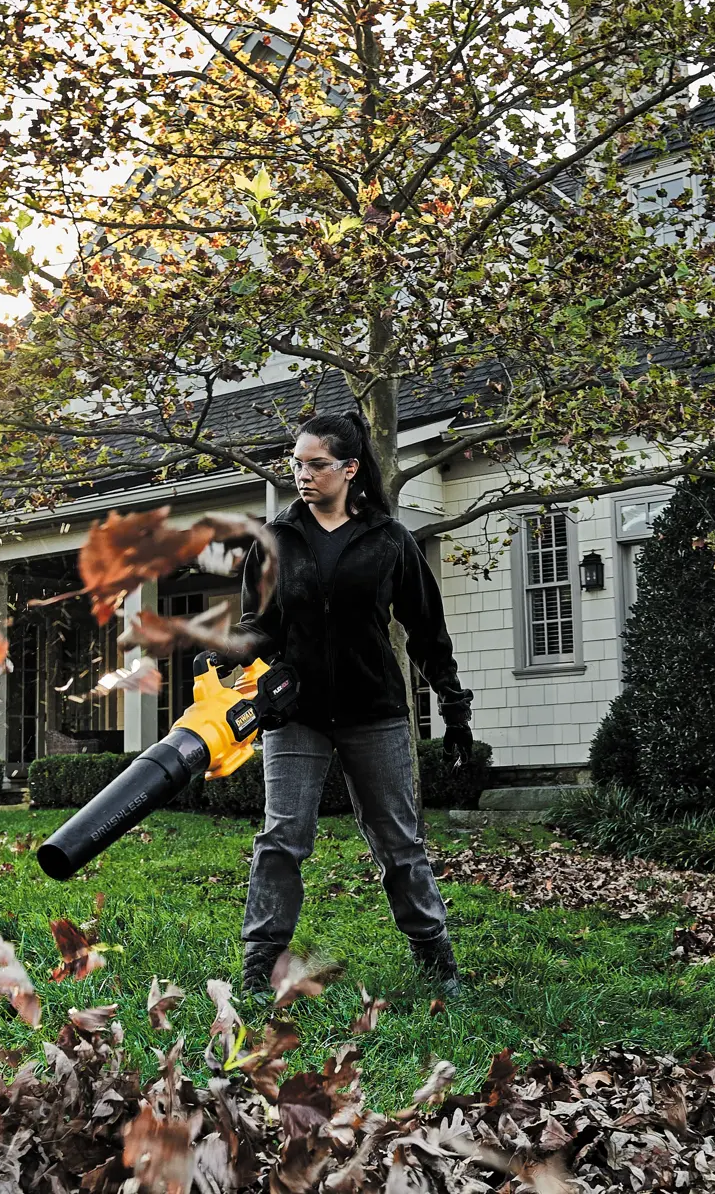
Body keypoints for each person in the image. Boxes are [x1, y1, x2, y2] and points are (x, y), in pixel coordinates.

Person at [234, 411, 473, 995]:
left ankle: (436, 962)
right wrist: (228, 655)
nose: (303, 474)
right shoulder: (276, 538)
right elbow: (259, 625)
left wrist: (453, 705)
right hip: (297, 713)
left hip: (376, 712)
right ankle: (260, 964)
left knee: (398, 841)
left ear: (350, 469)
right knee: (282, 836)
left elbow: (426, 629)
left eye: (316, 464)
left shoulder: (390, 540)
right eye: (297, 463)